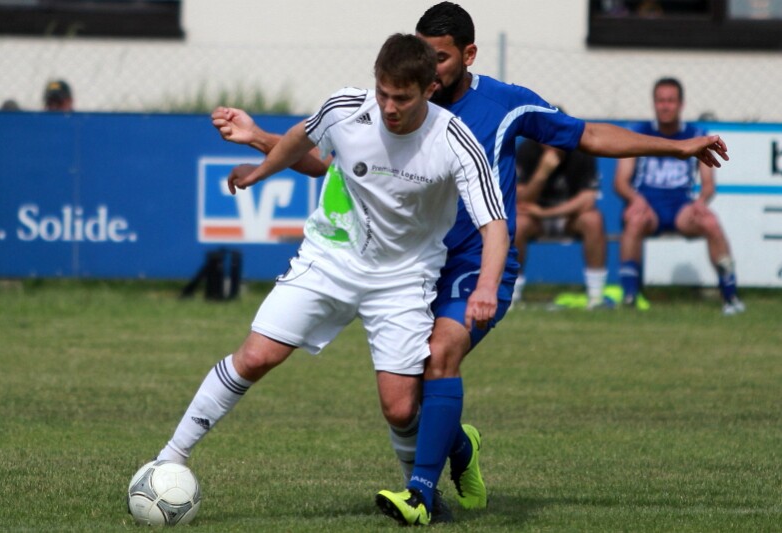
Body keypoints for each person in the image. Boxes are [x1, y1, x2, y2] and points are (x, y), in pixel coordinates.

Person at [212, 5, 729, 526]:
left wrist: (678, 147)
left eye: (440, 58)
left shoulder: (504, 105)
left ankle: (420, 494)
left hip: (476, 262)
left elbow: (588, 135)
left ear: (469, 55)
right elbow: (329, 164)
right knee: (407, 396)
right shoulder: (399, 105)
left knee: (441, 355)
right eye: (422, 54)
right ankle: (461, 446)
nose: (428, 69)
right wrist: (259, 138)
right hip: (411, 266)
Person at [154, 33, 510, 527]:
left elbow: (495, 224)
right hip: (329, 260)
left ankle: (421, 488)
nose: (389, 107)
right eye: (383, 92)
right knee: (255, 357)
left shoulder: (454, 140)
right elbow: (302, 139)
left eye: (402, 97)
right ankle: (167, 460)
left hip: (403, 279)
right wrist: (260, 171)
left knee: (401, 409)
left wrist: (487, 286)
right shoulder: (345, 108)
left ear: (430, 89)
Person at [614, 77, 744, 315]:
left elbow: (708, 185)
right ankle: (630, 295)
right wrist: (635, 199)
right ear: (653, 103)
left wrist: (700, 202)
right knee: (634, 219)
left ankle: (730, 296)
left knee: (710, 221)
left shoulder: (695, 135)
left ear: (681, 104)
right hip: (648, 207)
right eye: (660, 101)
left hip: (681, 207)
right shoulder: (638, 133)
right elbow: (621, 181)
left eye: (670, 101)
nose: (665, 106)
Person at [513, 137, 608, 309]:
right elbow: (521, 200)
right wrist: (542, 173)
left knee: (593, 220)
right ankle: (512, 296)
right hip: (535, 219)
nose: (551, 140)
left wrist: (546, 213)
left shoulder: (581, 151)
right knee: (517, 223)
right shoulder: (527, 150)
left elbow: (588, 200)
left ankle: (596, 298)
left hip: (569, 217)